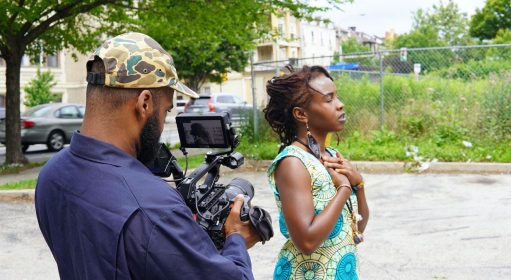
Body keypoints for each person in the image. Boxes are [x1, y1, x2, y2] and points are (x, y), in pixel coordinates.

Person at [35, 32, 260, 280]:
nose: (163, 124)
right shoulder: (153, 208)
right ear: (144, 103)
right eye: (165, 111)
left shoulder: (51, 174)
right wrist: (236, 238)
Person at [263, 65, 370, 279]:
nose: (340, 105)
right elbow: (306, 242)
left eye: (336, 97)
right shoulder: (293, 162)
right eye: (329, 99)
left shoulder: (332, 155)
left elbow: (357, 227)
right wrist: (344, 189)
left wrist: (359, 186)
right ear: (301, 114)